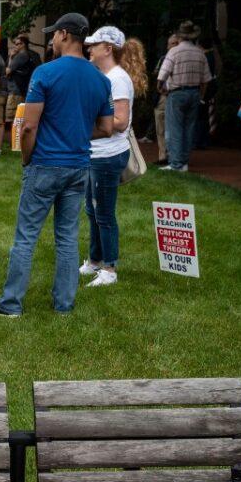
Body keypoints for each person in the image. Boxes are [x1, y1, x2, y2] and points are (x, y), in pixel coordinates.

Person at [0, 13, 113, 318]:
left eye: (54, 34)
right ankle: (64, 305)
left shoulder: (45, 73)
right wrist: (77, 131)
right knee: (68, 238)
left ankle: (11, 304)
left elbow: (29, 127)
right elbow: (107, 128)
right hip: (79, 166)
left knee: (26, 237)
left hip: (45, 164)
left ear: (65, 34)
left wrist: (27, 158)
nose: (52, 39)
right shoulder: (100, 79)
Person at [79, 27, 146, 288]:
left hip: (108, 155)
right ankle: (95, 260)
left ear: (108, 49)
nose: (89, 49)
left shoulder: (117, 78)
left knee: (103, 213)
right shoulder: (105, 75)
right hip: (97, 154)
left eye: (94, 45)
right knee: (92, 209)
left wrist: (84, 130)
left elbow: (119, 122)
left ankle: (109, 267)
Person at [157, 21, 211, 172]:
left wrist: (160, 88)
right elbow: (206, 80)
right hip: (194, 93)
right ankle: (184, 163)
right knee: (189, 129)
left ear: (179, 36)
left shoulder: (174, 52)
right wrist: (201, 95)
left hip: (177, 93)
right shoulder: (200, 52)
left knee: (174, 129)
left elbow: (162, 75)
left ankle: (175, 164)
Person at [152, 35, 180, 164]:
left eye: (176, 43)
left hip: (177, 96)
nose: (173, 46)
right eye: (171, 43)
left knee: (175, 127)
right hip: (163, 96)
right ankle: (163, 156)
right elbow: (156, 74)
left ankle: (174, 156)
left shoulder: (183, 58)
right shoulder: (163, 58)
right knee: (160, 127)